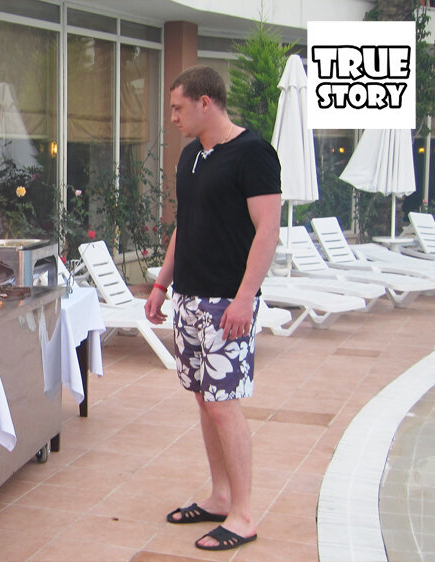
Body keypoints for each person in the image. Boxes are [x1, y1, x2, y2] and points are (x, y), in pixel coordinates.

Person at [144, 66, 281, 552]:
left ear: (207, 102)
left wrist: (245, 297)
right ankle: (220, 496)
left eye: (179, 107)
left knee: (225, 406)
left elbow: (268, 230)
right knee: (205, 400)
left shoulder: (254, 154)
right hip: (189, 298)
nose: (174, 117)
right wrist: (162, 283)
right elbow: (187, 224)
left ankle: (243, 515)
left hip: (228, 301)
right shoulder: (191, 157)